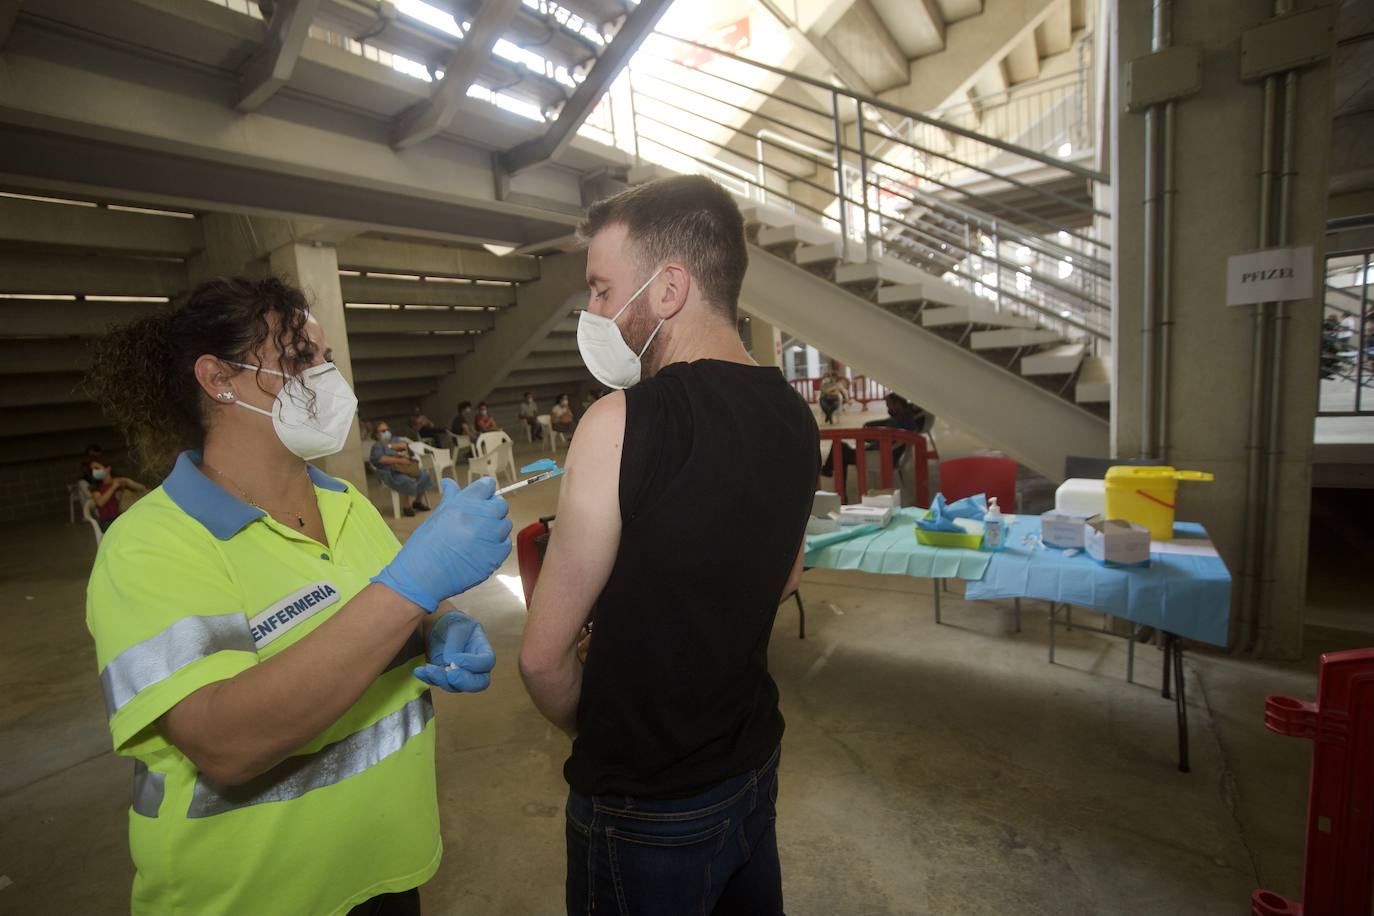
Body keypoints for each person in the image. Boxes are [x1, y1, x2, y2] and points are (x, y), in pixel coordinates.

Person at [82, 276, 512, 916]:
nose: (327, 378)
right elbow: (226, 742)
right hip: (253, 897)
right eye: (297, 360)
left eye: (326, 358)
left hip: (388, 869)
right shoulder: (150, 546)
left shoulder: (347, 506)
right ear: (217, 378)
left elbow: (384, 610)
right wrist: (412, 588)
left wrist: (437, 623)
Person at [519, 175, 817, 916]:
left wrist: (605, 720)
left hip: (646, 809)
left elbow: (540, 656)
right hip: (751, 761)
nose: (591, 311)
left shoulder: (620, 422)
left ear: (668, 287)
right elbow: (785, 577)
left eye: (599, 288)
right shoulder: (793, 414)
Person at [369, 420, 434, 517]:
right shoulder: (377, 446)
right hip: (390, 472)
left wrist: (397, 448)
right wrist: (398, 460)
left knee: (424, 475)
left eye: (387, 429)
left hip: (405, 468)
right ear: (376, 434)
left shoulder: (394, 440)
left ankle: (417, 502)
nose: (386, 432)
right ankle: (406, 506)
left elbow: (405, 447)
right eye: (383, 431)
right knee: (406, 480)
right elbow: (379, 459)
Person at [82, 458, 148, 531]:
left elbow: (142, 488)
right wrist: (113, 487)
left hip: (124, 516)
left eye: (97, 468)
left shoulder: (119, 481)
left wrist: (128, 482)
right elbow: (100, 503)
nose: (95, 471)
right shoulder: (96, 488)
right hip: (108, 522)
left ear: (108, 468)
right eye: (92, 470)